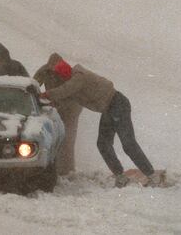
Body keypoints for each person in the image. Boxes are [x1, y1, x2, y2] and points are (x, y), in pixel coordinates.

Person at [40, 59, 160, 188]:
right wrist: (47, 103)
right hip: (108, 109)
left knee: (128, 144)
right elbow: (64, 98)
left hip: (117, 104)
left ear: (65, 75)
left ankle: (152, 176)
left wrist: (46, 94)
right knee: (103, 144)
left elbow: (65, 90)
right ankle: (121, 177)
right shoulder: (72, 85)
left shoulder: (79, 76)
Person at [34, 53, 82, 175]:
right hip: (55, 108)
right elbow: (34, 85)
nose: (53, 69)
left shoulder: (66, 71)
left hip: (71, 109)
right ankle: (57, 168)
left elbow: (70, 91)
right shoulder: (44, 70)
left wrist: (56, 102)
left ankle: (68, 169)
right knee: (56, 138)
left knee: (68, 139)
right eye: (51, 67)